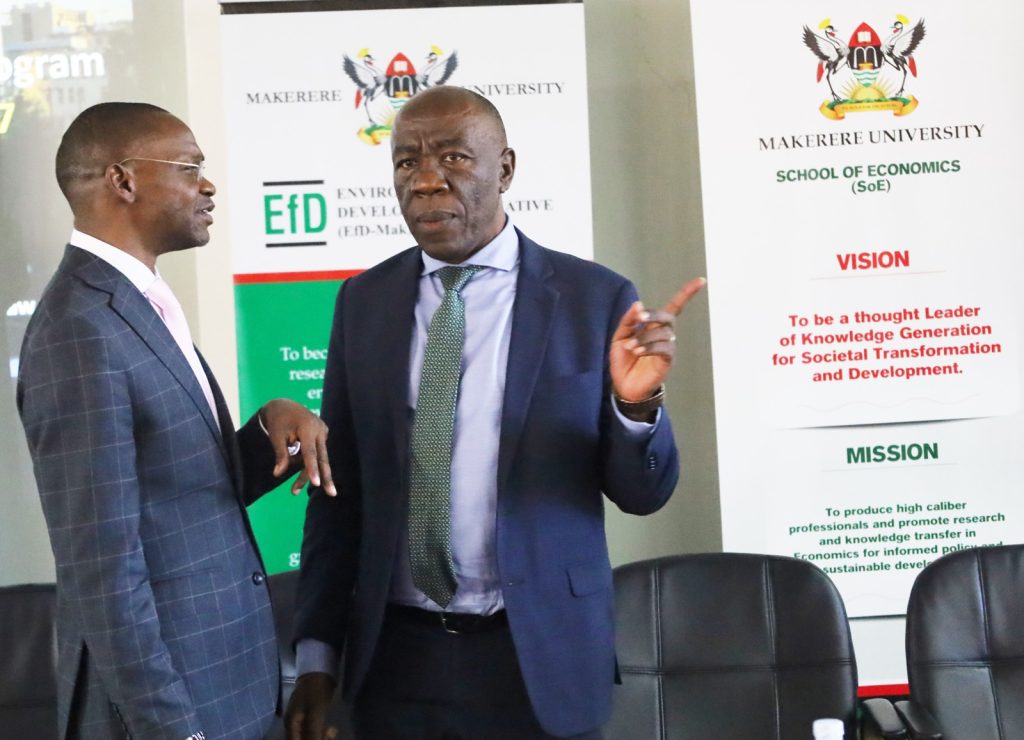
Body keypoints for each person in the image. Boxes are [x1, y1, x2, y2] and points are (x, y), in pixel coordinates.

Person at [285, 86, 704, 739]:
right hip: (395, 662)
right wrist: (316, 657)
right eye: (405, 163)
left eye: (453, 158)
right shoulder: (362, 303)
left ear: (505, 169)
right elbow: (337, 496)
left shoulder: (593, 299)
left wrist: (634, 402)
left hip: (537, 659)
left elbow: (643, 494)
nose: (425, 181)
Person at [16, 102, 336, 740]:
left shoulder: (139, 301)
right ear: (123, 180)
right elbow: (103, 567)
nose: (208, 186)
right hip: (169, 708)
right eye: (190, 168)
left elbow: (175, 495)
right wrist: (171, 728)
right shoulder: (78, 329)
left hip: (226, 684)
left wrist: (271, 427)